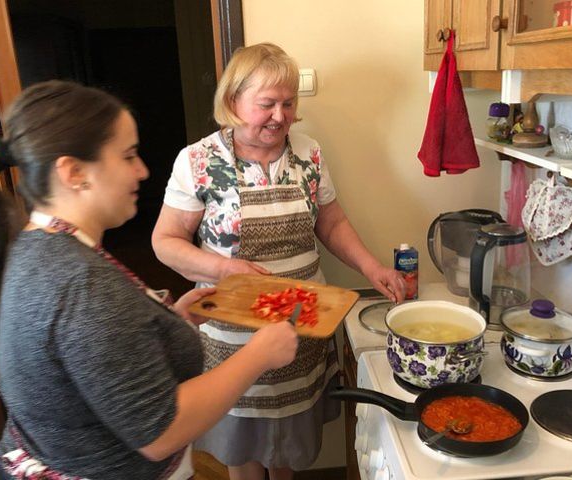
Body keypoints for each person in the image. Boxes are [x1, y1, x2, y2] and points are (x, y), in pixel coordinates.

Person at [0, 80, 298, 480]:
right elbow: (161, 431)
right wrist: (260, 353)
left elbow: (92, 357)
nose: (142, 171)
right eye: (128, 156)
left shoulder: (40, 246)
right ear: (74, 173)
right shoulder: (81, 282)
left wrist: (171, 318)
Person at [152, 42, 406, 480]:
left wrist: (373, 268)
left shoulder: (308, 154)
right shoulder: (197, 160)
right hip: (231, 337)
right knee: (243, 453)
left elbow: (331, 222)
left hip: (299, 324)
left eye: (288, 104)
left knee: (288, 447)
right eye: (266, 104)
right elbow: (165, 241)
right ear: (233, 102)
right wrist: (223, 269)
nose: (280, 116)